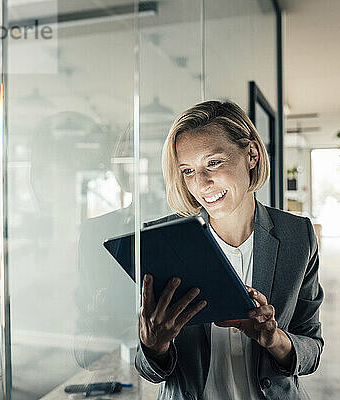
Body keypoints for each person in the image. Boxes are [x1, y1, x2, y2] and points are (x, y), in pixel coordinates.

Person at [135, 100, 324, 399]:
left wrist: (274, 339)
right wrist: (154, 345)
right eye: (187, 170)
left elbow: (312, 348)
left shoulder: (297, 236)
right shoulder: (163, 240)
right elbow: (147, 368)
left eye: (213, 163)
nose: (201, 183)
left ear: (251, 154)